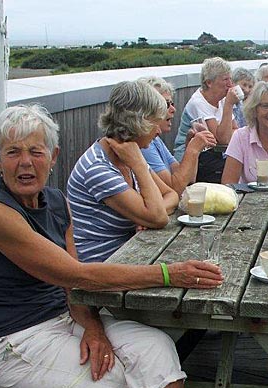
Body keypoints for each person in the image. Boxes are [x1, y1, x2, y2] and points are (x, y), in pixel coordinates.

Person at [0, 104, 224, 388]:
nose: (26, 162)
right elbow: (78, 275)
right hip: (17, 342)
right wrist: (170, 274)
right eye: (13, 152)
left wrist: (93, 326)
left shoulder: (56, 201)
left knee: (156, 347)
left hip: (65, 318)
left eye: (36, 151)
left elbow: (73, 282)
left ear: (54, 156)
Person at [67, 80, 179, 263]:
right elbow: (158, 217)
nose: (158, 131)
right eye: (154, 123)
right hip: (104, 266)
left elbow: (171, 194)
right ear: (138, 122)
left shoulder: (129, 153)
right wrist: (140, 167)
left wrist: (144, 216)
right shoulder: (97, 168)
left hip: (130, 254)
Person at [138, 76, 217, 196]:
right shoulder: (144, 145)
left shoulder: (156, 140)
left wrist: (190, 144)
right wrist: (193, 150)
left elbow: (189, 180)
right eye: (166, 104)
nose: (173, 109)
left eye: (172, 103)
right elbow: (175, 188)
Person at [173, 57, 240, 183]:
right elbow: (222, 140)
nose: (230, 84)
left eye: (230, 79)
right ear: (209, 82)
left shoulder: (223, 99)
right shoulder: (198, 102)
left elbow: (236, 130)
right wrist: (229, 106)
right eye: (225, 79)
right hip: (191, 158)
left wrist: (226, 131)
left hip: (214, 155)